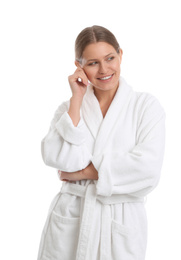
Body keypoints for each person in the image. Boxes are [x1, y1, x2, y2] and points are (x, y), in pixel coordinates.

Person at [37, 25, 165, 260]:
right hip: (71, 219)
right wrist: (77, 98)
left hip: (121, 222)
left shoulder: (145, 107)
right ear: (79, 66)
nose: (104, 69)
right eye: (93, 63)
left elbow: (147, 170)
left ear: (121, 55)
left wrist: (83, 172)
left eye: (110, 58)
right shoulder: (68, 109)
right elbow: (56, 156)